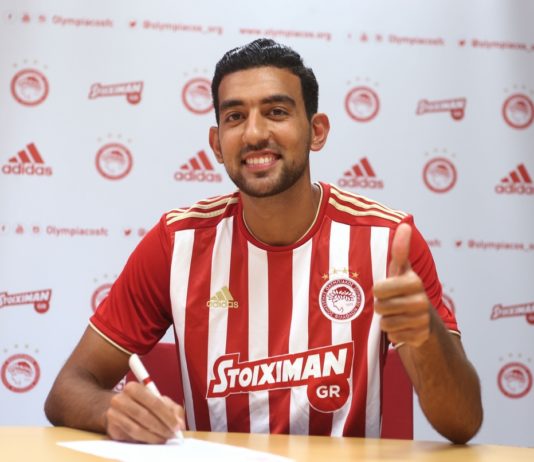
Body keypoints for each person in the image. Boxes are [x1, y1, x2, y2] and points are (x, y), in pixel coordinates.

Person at [44, 38, 483, 444]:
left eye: (275, 112)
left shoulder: (388, 242)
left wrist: (425, 335)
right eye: (235, 117)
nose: (254, 133)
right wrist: (111, 410)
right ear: (217, 143)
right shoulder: (177, 243)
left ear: (317, 131)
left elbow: (463, 423)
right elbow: (67, 388)